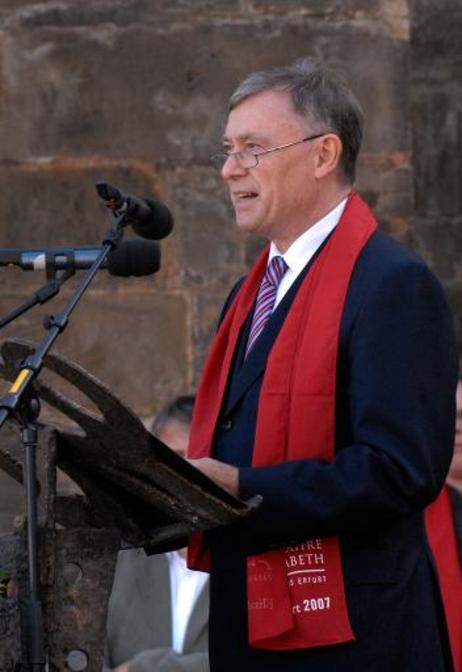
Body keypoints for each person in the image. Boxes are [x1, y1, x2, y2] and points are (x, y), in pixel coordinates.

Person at [186, 59, 459, 672]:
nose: (231, 169)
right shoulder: (249, 292)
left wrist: (240, 487)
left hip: (356, 637)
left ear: (323, 153)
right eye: (228, 151)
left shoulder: (393, 283)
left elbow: (400, 469)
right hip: (249, 620)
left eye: (252, 149)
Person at [104, 396, 209, 672]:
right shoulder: (119, 563)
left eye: (196, 459)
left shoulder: (255, 566)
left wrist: (146, 669)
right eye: (173, 460)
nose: (186, 475)